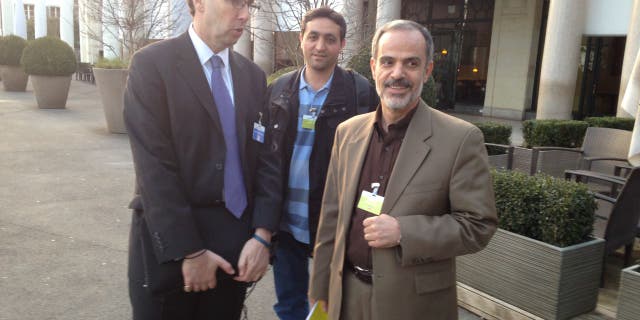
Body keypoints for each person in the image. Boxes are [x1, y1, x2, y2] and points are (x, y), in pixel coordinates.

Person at [308, 20, 498, 320]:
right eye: (388, 62)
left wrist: (405, 232)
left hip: (413, 305)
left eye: (411, 63)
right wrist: (319, 294)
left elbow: (478, 225)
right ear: (374, 67)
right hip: (346, 295)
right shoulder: (347, 133)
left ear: (427, 71)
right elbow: (330, 220)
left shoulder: (460, 139)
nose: (397, 74)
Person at [124, 0, 277, 319]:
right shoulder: (152, 66)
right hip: (172, 255)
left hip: (235, 252)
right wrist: (190, 251)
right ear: (198, 3)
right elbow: (154, 170)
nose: (245, 14)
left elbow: (266, 162)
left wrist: (263, 236)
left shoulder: (252, 77)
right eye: (236, 3)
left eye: (250, 4)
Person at [252, 7, 378, 320]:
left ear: (342, 44)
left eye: (330, 39)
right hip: (287, 223)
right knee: (289, 304)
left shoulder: (360, 93)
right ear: (301, 40)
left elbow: (375, 163)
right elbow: (265, 160)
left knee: (329, 303)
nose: (320, 46)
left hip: (333, 224)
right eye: (314, 37)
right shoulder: (279, 89)